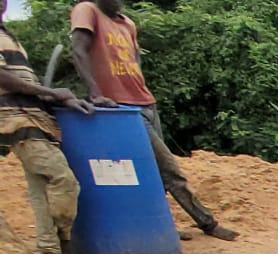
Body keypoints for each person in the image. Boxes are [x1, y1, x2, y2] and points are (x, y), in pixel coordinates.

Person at [68, 0, 236, 241]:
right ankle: (207, 223)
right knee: (169, 169)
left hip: (145, 102)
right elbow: (78, 50)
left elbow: (134, 61)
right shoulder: (87, 10)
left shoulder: (127, 24)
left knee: (154, 173)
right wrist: (95, 93)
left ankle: (162, 225)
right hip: (121, 107)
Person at [0, 23, 90, 254]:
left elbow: (22, 81)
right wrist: (49, 91)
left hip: (33, 118)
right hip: (14, 120)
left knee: (40, 187)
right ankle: (64, 236)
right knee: (63, 178)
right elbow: (4, 77)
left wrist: (53, 97)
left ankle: (47, 250)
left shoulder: (9, 36)